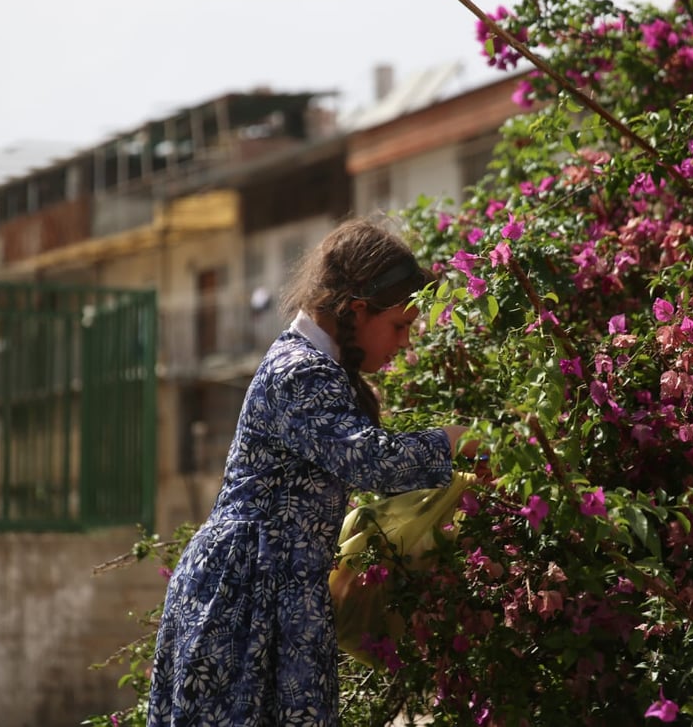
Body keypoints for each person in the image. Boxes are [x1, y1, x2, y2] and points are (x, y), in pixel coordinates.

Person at [147, 217, 473, 727]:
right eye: (400, 326)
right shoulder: (299, 370)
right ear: (358, 311)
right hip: (245, 595)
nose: (405, 343)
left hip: (278, 593)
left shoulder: (315, 368)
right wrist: (455, 442)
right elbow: (369, 460)